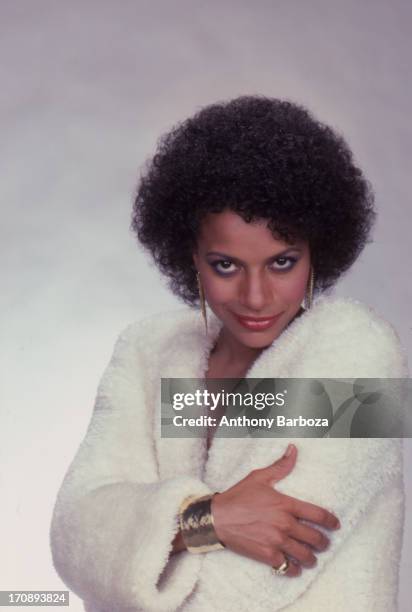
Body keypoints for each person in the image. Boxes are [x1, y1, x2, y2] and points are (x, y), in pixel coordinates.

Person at [50, 96, 409, 612]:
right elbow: (74, 535)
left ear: (317, 253)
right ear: (190, 256)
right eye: (225, 265)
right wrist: (210, 518)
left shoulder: (360, 353)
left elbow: (249, 583)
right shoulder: (148, 352)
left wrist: (150, 540)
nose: (256, 297)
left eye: (282, 262)